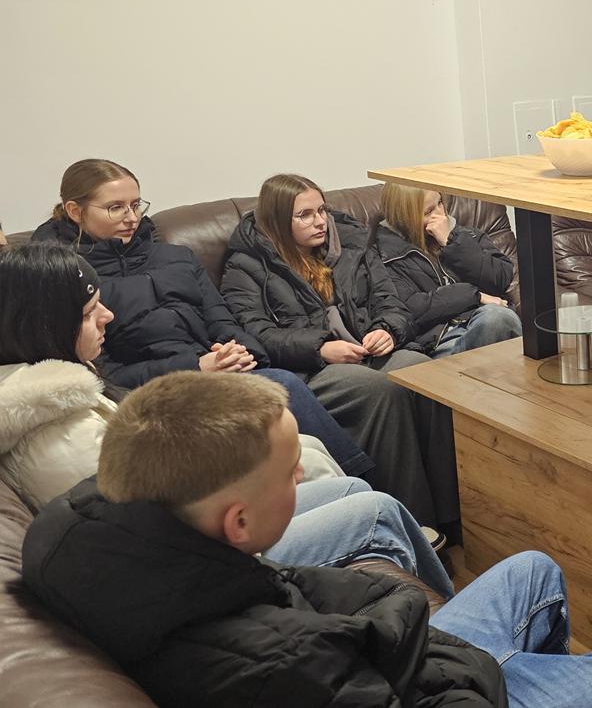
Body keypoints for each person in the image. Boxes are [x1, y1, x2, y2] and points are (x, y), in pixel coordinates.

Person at [22, 370, 592, 707]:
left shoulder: (87, 527)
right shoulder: (274, 668)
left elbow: (295, 593)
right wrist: (472, 668)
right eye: (289, 473)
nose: (303, 474)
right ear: (238, 523)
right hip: (454, 694)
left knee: (532, 569)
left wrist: (396, 616)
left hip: (410, 664)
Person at [0, 244, 450, 592]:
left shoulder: (63, 391)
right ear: (43, 326)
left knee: (345, 481)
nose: (108, 316)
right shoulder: (57, 427)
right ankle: (446, 630)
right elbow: (146, 525)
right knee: (377, 509)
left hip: (201, 526)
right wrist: (254, 475)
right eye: (89, 312)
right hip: (195, 561)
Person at [30, 159, 375, 480]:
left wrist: (239, 352)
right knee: (283, 386)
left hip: (220, 372)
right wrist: (196, 367)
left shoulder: (176, 256)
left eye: (136, 205)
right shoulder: (65, 278)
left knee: (312, 396)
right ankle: (364, 486)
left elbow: (223, 321)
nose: (131, 217)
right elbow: (101, 371)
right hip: (156, 394)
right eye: (115, 208)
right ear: (75, 211)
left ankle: (359, 494)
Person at [220, 173, 459, 532]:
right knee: (382, 391)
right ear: (278, 221)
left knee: (424, 375)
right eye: (305, 215)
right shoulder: (246, 265)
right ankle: (411, 522)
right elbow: (256, 334)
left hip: (368, 349)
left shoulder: (351, 242)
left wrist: (386, 329)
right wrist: (319, 347)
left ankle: (456, 514)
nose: (320, 221)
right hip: (312, 368)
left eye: (322, 210)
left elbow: (389, 300)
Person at [375, 182, 522, 357]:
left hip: (487, 318)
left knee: (498, 319)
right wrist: (474, 296)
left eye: (440, 203)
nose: (441, 215)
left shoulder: (467, 235)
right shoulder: (386, 256)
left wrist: (452, 242)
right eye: (428, 212)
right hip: (441, 340)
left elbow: (502, 276)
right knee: (497, 320)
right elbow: (410, 308)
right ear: (405, 218)